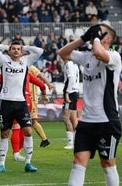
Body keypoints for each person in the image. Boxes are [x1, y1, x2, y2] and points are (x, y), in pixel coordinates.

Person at [58, 23, 121, 186]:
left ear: (108, 38)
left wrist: (96, 38)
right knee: (78, 160)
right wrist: (83, 38)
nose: (95, 33)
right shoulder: (87, 57)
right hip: (86, 121)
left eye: (100, 32)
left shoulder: (114, 56)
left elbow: (100, 53)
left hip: (107, 121)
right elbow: (62, 53)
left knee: (107, 163)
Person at [0, 41, 44, 173]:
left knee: (28, 132)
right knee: (4, 134)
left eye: (18, 49)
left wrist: (25, 48)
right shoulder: (3, 60)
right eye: (13, 49)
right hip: (7, 103)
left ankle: (28, 163)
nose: (16, 51)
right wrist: (5, 47)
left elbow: (39, 51)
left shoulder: (26, 61)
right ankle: (1, 165)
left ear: (21, 51)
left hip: (21, 103)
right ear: (9, 50)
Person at [0, 72, 48, 161]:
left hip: (13, 101)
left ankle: (16, 153)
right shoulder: (26, 72)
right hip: (27, 101)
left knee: (16, 127)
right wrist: (43, 94)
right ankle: (21, 153)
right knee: (24, 128)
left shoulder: (5, 73)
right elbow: (42, 85)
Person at [28, 65, 54, 147]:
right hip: (24, 97)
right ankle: (44, 140)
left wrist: (49, 85)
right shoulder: (19, 67)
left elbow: (41, 76)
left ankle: (44, 139)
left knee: (32, 121)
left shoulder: (30, 67)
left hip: (31, 98)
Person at [61, 60, 80, 149]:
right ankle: (78, 142)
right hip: (75, 91)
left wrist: (67, 92)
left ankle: (70, 143)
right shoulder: (75, 64)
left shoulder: (68, 64)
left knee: (65, 117)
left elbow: (71, 78)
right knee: (73, 118)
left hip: (70, 92)